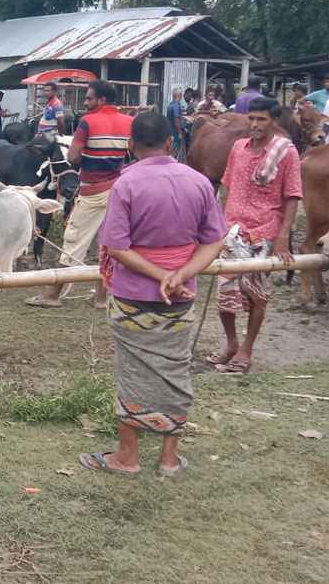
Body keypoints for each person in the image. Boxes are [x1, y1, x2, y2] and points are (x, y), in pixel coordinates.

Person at [80, 111, 226, 476]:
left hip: (134, 295)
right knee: (175, 369)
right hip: (181, 295)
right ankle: (169, 458)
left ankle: (127, 457)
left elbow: (115, 245)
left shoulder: (126, 186)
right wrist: (181, 274)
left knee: (133, 372)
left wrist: (161, 274)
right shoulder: (199, 182)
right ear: (171, 143)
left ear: (131, 145)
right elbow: (214, 241)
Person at [209, 98, 301, 374]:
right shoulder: (238, 148)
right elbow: (225, 186)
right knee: (224, 292)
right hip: (232, 229)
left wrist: (284, 235)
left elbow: (292, 195)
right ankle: (231, 343)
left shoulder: (286, 153)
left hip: (264, 231)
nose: (254, 124)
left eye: (261, 119)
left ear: (274, 121)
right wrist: (219, 226)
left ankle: (247, 349)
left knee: (256, 294)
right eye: (251, 119)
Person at [27, 80, 133, 309]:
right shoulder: (129, 122)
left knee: (73, 239)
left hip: (93, 191)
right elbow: (130, 155)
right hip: (118, 190)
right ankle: (101, 298)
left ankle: (52, 295)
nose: (85, 103)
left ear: (101, 100)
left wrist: (86, 154)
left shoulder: (88, 122)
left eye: (89, 98)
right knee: (110, 243)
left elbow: (73, 158)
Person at [166, 88, 185, 156]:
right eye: (181, 95)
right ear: (179, 95)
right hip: (175, 133)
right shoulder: (176, 106)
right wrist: (179, 132)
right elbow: (176, 120)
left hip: (170, 132)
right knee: (175, 152)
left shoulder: (170, 105)